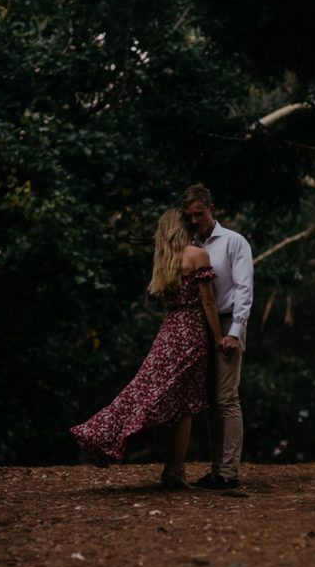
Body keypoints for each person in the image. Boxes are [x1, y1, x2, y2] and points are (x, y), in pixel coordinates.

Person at [69, 208, 224, 489]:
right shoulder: (197, 256)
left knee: (144, 391)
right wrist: (218, 337)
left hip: (168, 332)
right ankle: (174, 472)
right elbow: (209, 303)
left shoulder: (164, 260)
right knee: (185, 405)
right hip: (190, 333)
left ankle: (112, 438)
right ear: (180, 227)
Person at [181, 184, 253, 490]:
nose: (195, 220)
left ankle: (229, 472)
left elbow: (244, 289)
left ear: (213, 209)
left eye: (200, 214)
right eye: (190, 216)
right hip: (201, 327)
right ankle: (216, 470)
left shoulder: (234, 242)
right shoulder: (189, 244)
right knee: (211, 401)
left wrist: (234, 333)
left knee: (227, 399)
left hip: (227, 323)